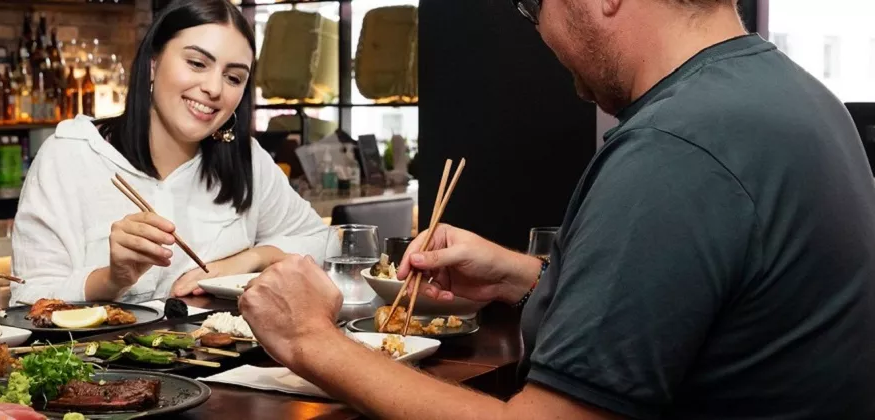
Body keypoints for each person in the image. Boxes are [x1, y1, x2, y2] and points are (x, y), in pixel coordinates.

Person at [240, 0, 875, 418]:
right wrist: (525, 277)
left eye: (531, 7)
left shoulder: (674, 146)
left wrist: (311, 340)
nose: (540, 32)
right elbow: (715, 303)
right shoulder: (794, 96)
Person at [9, 0, 326, 304]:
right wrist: (111, 279)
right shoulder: (71, 155)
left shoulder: (246, 158)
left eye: (233, 78)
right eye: (197, 63)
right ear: (153, 63)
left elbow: (319, 241)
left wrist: (251, 259)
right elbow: (27, 296)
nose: (214, 89)